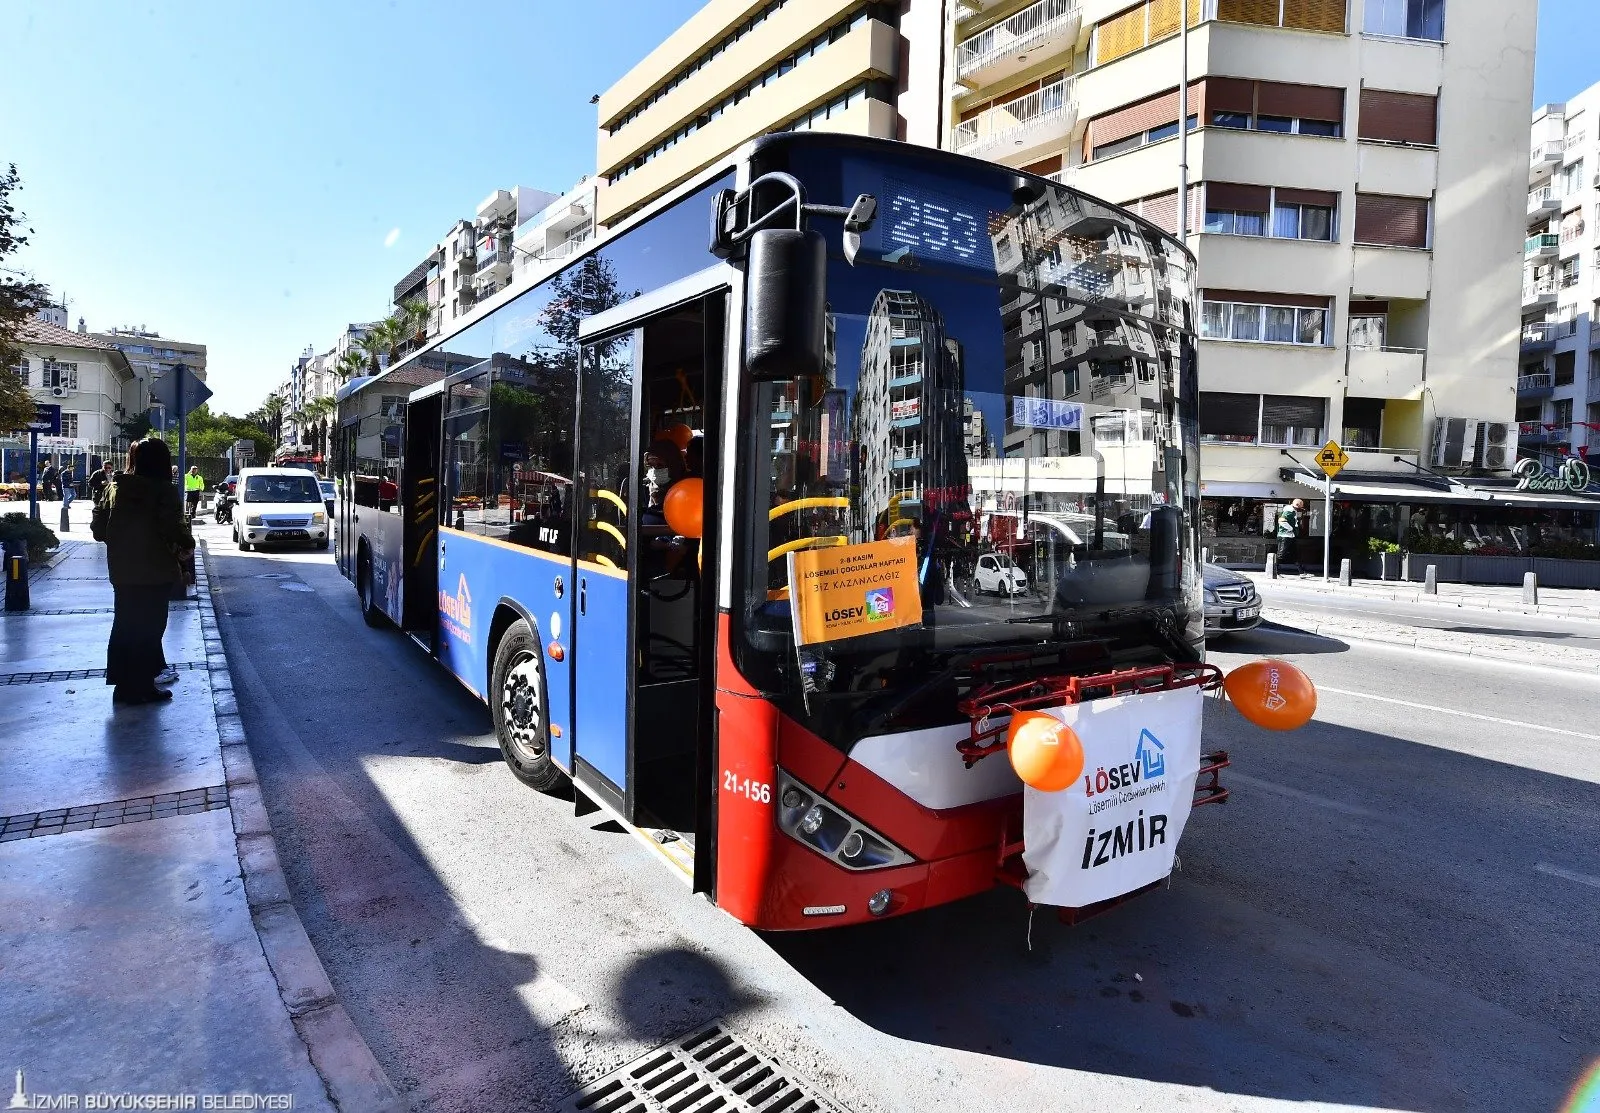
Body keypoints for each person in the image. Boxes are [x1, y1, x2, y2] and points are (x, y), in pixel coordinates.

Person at [95, 437, 194, 705]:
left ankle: (123, 686)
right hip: (155, 570)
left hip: (122, 569)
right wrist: (187, 546)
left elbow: (97, 530)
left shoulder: (114, 488)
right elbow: (174, 529)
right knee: (150, 628)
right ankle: (142, 686)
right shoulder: (163, 490)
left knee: (125, 625)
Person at [1276, 498, 1304, 573]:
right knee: (1282, 554)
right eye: (1300, 507)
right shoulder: (1289, 511)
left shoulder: (1291, 510)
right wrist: (1291, 528)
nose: (1300, 509)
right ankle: (1274, 569)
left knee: (1294, 553)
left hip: (1289, 535)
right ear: (1297, 505)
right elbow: (1281, 521)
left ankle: (1301, 571)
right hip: (1285, 535)